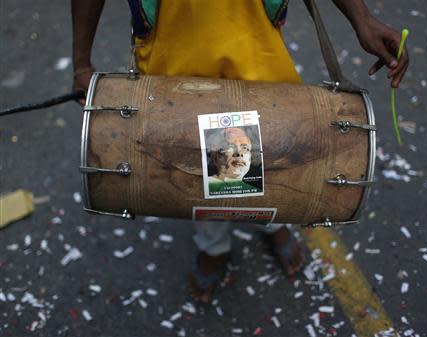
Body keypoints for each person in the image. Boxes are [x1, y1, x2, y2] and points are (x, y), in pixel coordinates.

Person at [72, 0, 409, 304]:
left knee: (269, 164)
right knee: (198, 176)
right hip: (172, 67)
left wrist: (361, 19)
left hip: (257, 55)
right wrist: (81, 64)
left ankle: (271, 220)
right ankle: (214, 245)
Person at [207, 127, 261, 195]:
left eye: (245, 148)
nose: (239, 153)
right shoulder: (207, 186)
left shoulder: (255, 191)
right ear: (215, 156)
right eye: (231, 146)